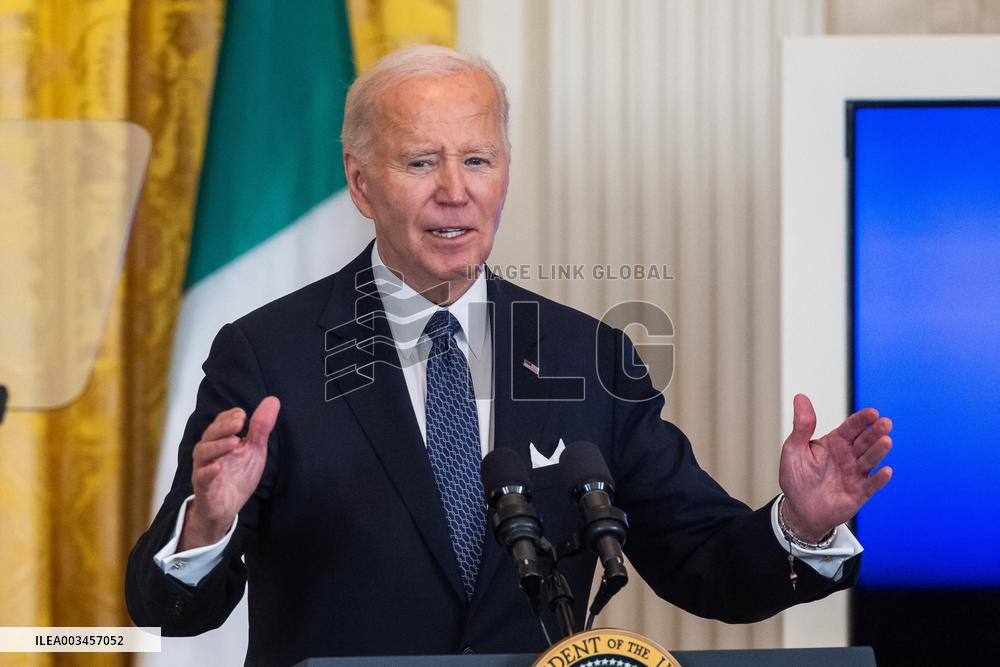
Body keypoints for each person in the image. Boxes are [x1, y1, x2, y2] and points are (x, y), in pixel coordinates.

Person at [126, 46, 893, 666]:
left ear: (506, 173)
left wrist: (801, 522)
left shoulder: (589, 355)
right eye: (422, 162)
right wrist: (208, 524)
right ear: (361, 183)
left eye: (479, 160)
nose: (455, 191)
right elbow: (168, 608)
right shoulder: (269, 355)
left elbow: (705, 560)